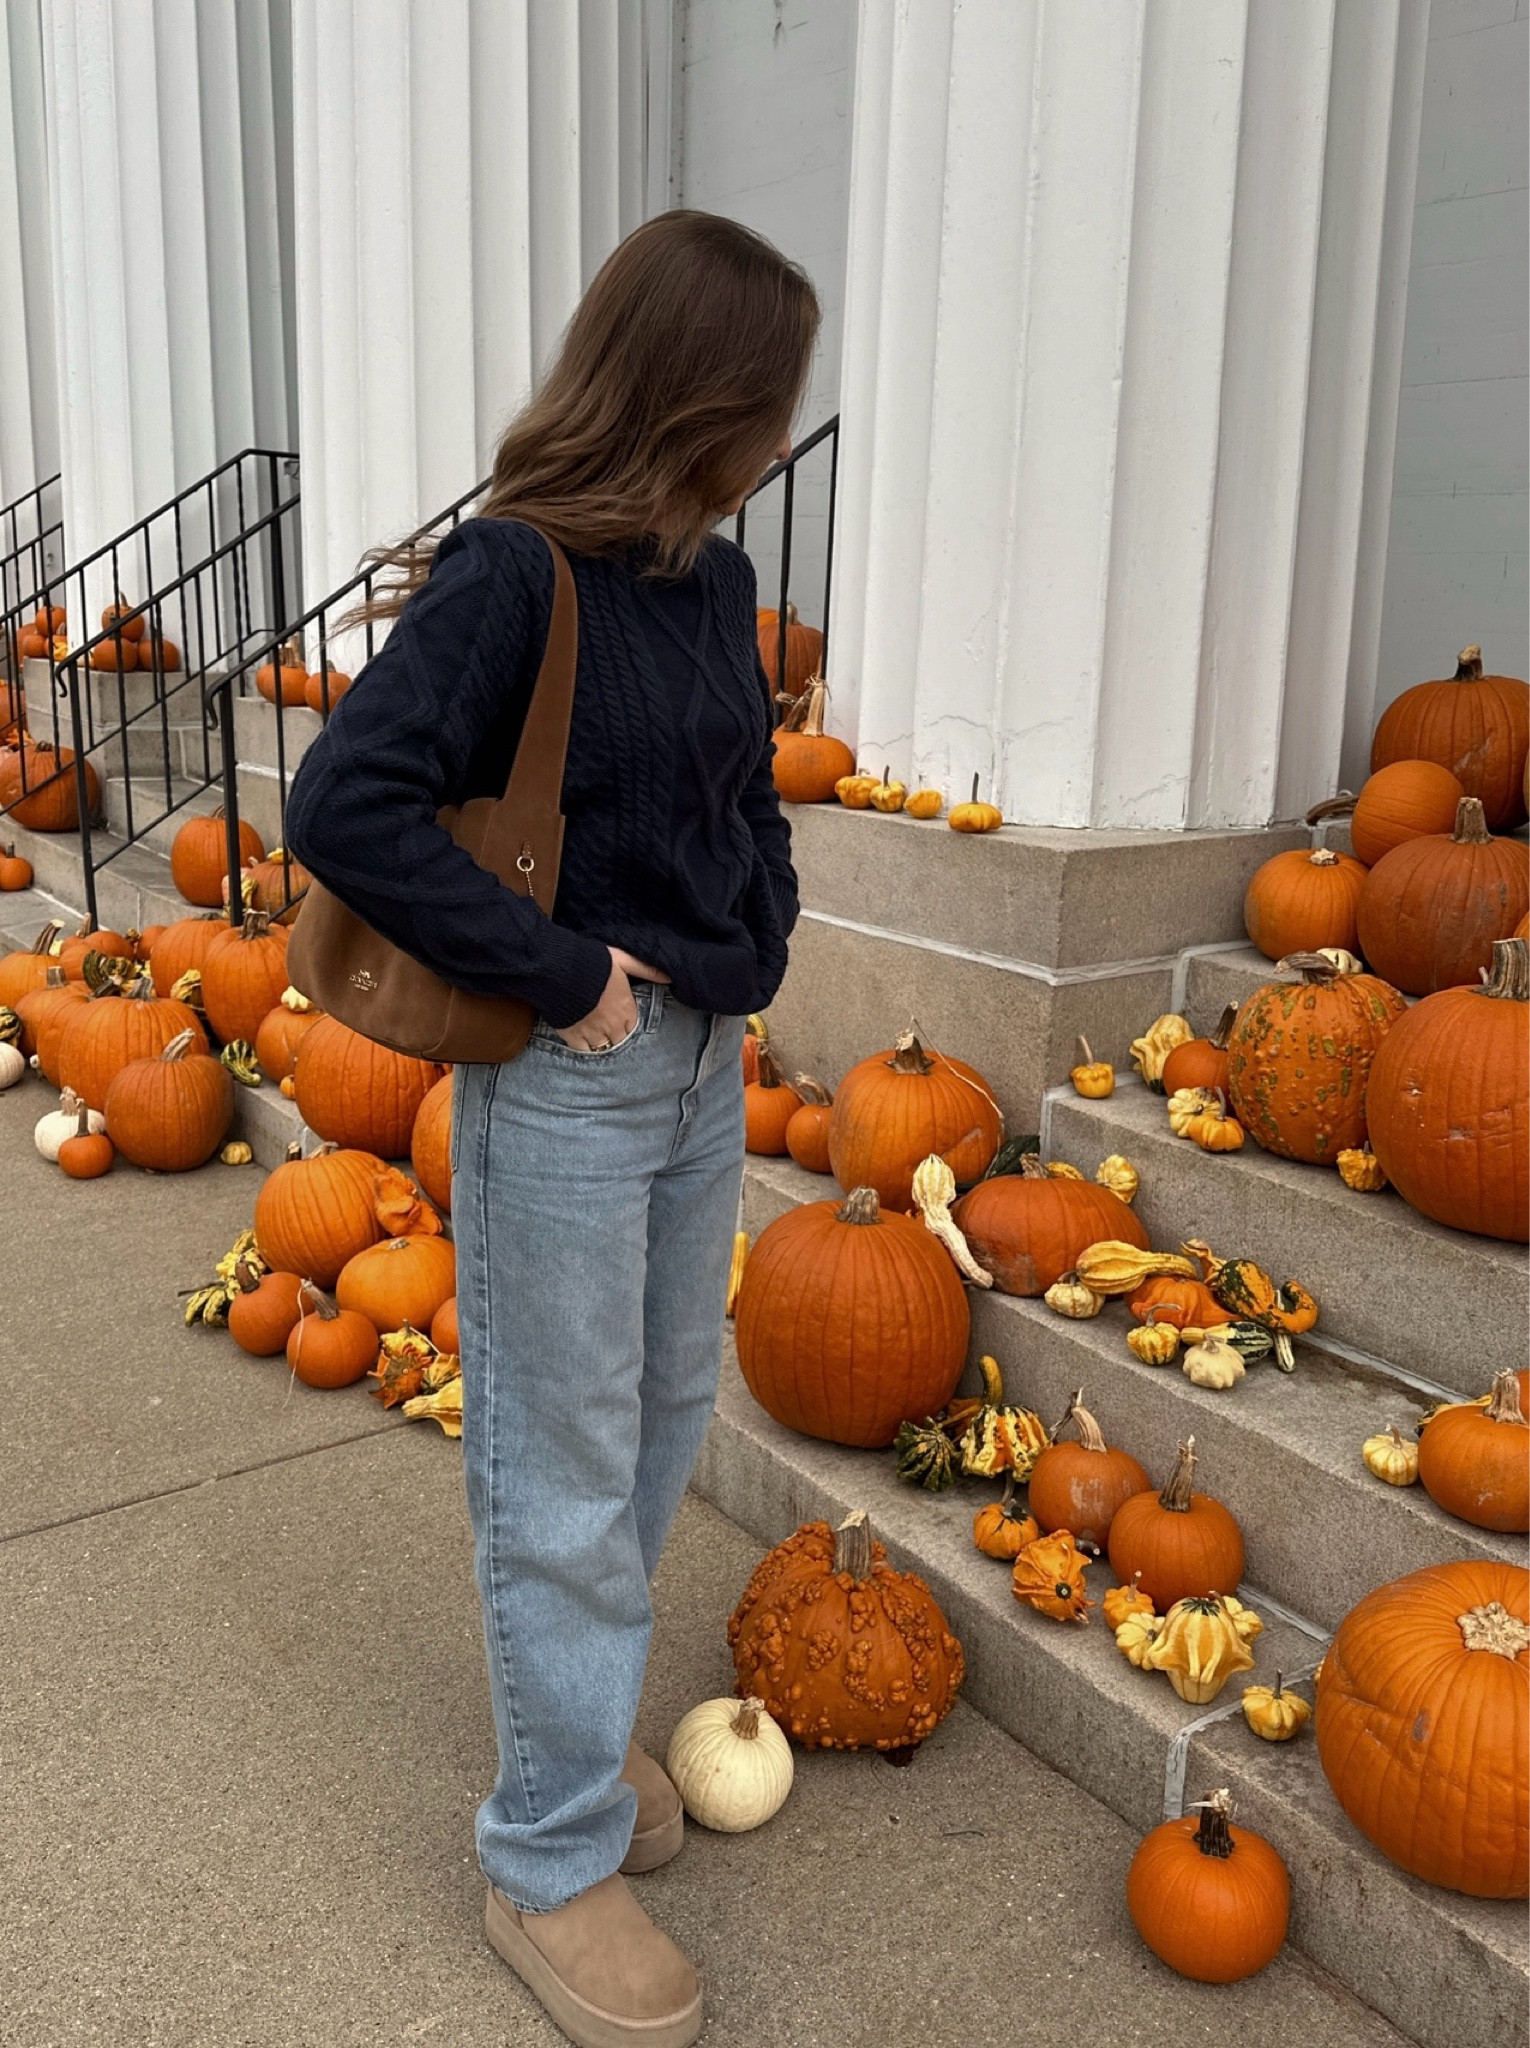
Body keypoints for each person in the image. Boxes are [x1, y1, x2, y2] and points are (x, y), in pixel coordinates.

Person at [284, 210, 818, 2048]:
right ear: (701, 394)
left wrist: (751, 941)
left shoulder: (709, 580)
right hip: (581, 1075)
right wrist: (568, 973)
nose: (778, 434)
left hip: (695, 1072)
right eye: (768, 400)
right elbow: (343, 799)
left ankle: (574, 1763)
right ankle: (545, 1855)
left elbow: (745, 793)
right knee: (561, 1462)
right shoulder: (517, 574)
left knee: (660, 1425)